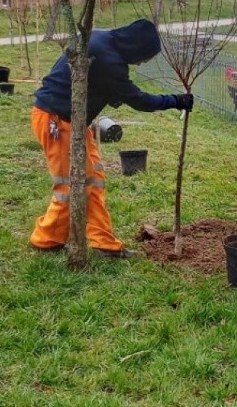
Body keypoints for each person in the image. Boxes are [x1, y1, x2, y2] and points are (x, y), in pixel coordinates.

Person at [30, 19, 192, 256]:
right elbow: (138, 100)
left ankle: (104, 243)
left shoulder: (99, 37)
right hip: (56, 120)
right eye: (144, 57)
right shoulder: (109, 59)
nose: (141, 62)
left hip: (73, 122)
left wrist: (106, 92)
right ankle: (47, 239)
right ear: (136, 47)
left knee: (93, 179)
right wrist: (175, 101)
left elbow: (88, 78)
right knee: (71, 184)